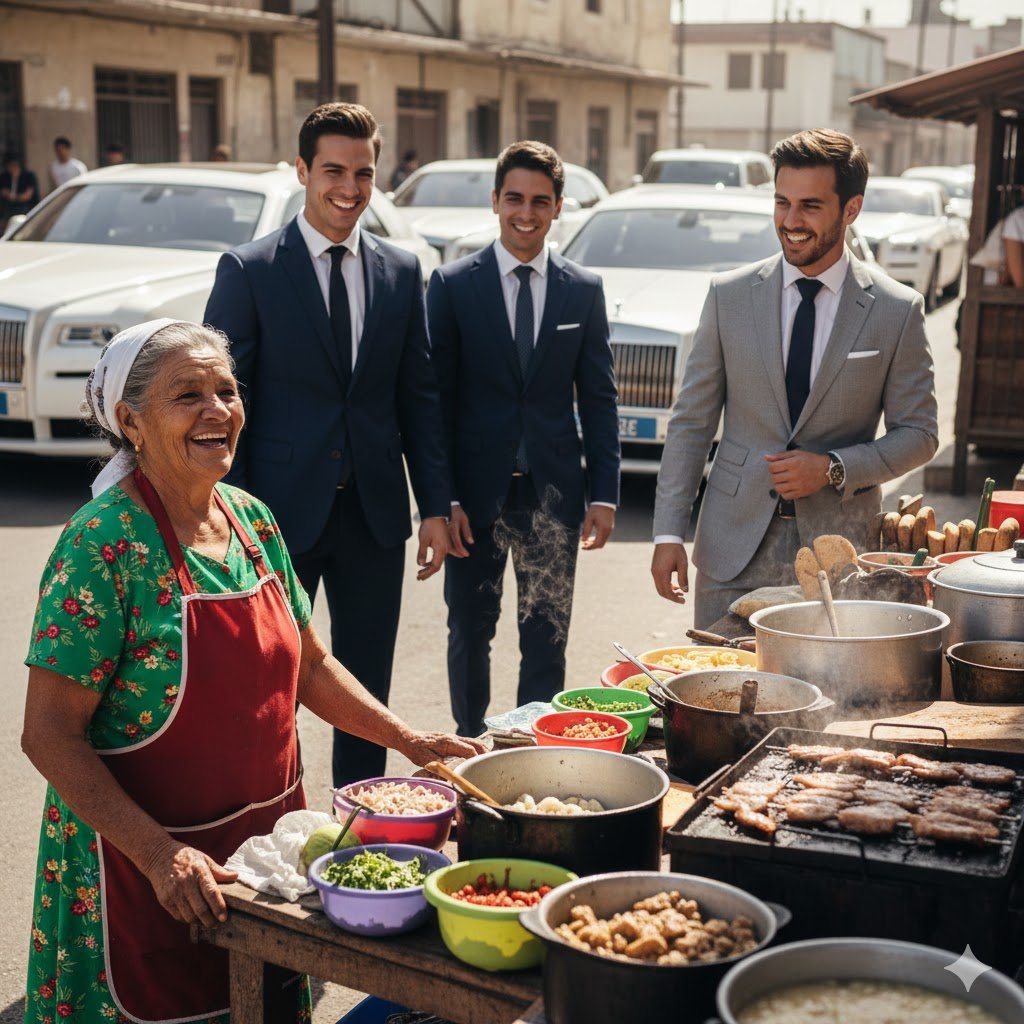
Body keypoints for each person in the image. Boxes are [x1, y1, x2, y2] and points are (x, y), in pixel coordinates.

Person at [20, 319, 482, 1024]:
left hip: (262, 859)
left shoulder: (252, 522)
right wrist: (158, 856)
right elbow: (49, 735)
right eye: (188, 394)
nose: (217, 410)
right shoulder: (102, 547)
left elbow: (312, 665)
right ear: (130, 422)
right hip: (138, 866)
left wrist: (409, 739)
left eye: (226, 391)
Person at [204, 103, 451, 786]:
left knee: (366, 687)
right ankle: (267, 826)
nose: (349, 187)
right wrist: (228, 514)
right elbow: (223, 403)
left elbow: (418, 397)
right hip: (275, 516)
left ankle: (358, 824)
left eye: (364, 173)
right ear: (302, 171)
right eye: (334, 171)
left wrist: (434, 504)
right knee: (267, 683)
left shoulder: (402, 271)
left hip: (373, 515)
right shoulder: (250, 270)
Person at [651, 128, 939, 629]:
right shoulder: (729, 296)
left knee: (825, 704)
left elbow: (920, 434)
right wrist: (667, 534)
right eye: (781, 202)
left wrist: (832, 467)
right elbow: (692, 424)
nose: (790, 221)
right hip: (731, 549)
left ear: (851, 210)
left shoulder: (897, 309)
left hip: (840, 556)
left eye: (809, 206)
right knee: (719, 695)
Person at [427, 140, 620, 737]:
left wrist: (606, 495)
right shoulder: (453, 284)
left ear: (559, 207)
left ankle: (533, 749)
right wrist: (443, 499)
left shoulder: (581, 289)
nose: (526, 213)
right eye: (514, 198)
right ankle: (470, 744)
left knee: (545, 637)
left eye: (541, 201)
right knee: (470, 631)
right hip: (473, 500)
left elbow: (598, 396)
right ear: (495, 201)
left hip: (553, 497)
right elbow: (435, 402)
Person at [0, 151, 39, 228]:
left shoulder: (29, 176)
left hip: (26, 207)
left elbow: (26, 196)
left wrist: (14, 196)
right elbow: (3, 192)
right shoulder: (4, 177)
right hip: (9, 209)